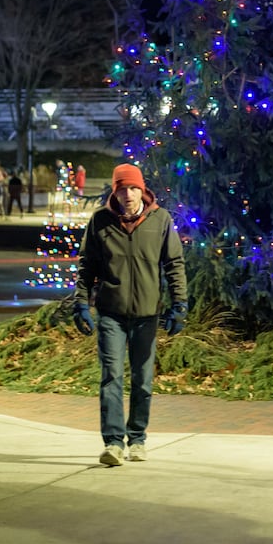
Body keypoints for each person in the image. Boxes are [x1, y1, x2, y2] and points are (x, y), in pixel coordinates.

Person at [71, 164, 187, 467]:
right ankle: (113, 442)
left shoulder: (160, 221)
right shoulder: (100, 222)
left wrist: (179, 304)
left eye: (133, 188)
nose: (128, 195)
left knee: (143, 379)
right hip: (111, 313)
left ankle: (137, 439)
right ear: (115, 191)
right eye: (122, 189)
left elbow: (174, 264)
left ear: (142, 190)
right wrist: (81, 302)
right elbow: (87, 267)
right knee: (111, 377)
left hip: (147, 314)